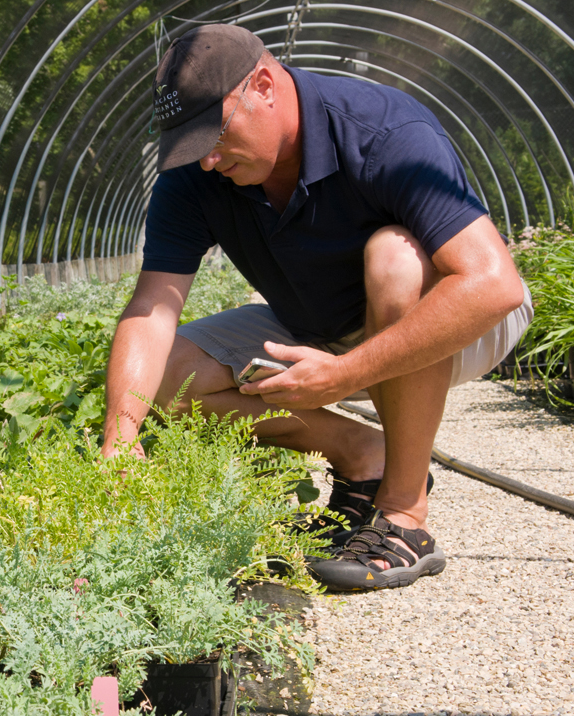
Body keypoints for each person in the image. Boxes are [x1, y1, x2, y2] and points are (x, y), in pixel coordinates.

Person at [100, 25, 531, 591]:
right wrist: (120, 438)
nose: (206, 159)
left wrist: (344, 375)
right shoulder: (197, 175)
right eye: (191, 142)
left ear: (263, 86)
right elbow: (154, 303)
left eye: (214, 133)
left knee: (395, 259)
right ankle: (362, 453)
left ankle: (404, 512)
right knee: (171, 375)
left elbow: (492, 284)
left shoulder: (382, 131)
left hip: (455, 320)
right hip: (315, 325)